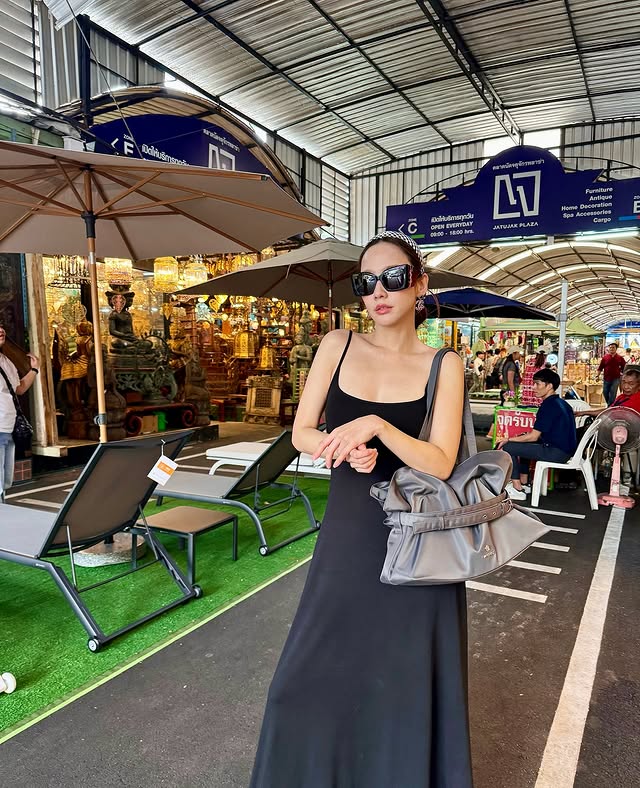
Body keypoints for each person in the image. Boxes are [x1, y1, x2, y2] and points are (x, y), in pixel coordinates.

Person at [250, 230, 471, 787]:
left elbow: (441, 461)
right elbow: (301, 432)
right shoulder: (338, 344)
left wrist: (378, 428)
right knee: (301, 682)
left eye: (393, 277)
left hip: (415, 542)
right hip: (348, 534)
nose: (379, 291)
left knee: (403, 683)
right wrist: (342, 445)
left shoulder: (445, 363)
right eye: (366, 282)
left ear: (419, 285)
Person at [498, 368, 577, 501]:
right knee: (522, 441)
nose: (534, 387)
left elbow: (533, 436)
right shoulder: (562, 403)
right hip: (565, 451)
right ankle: (524, 483)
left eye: (538, 384)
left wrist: (507, 439)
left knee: (508, 446)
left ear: (549, 386)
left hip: (556, 452)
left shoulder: (548, 406)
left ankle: (517, 488)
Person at [0, 326, 40, 502]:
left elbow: (19, 388)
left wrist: (34, 370)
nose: (1, 330)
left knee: (5, 480)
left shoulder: (6, 362)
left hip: (9, 426)